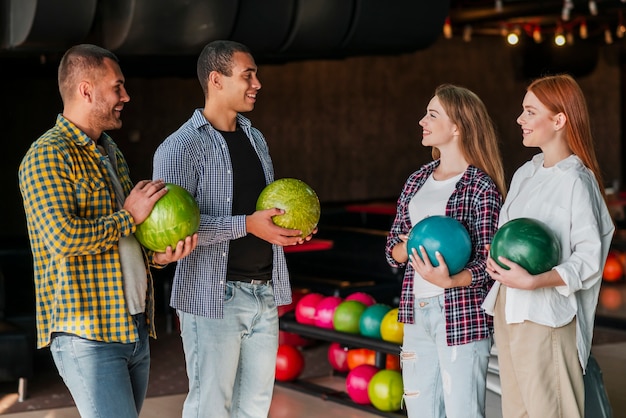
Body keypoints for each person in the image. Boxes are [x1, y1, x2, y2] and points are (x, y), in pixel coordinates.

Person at [18, 44, 198, 418]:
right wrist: (130, 217)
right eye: (118, 87)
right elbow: (63, 238)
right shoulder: (46, 155)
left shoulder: (109, 150)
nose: (125, 96)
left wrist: (158, 256)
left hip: (131, 325)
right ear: (86, 90)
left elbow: (123, 238)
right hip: (88, 334)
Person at [152, 40, 312, 418]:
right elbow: (172, 234)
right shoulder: (179, 148)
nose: (257, 83)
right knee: (211, 408)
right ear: (216, 80)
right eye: (247, 75)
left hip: (264, 293)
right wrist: (248, 226)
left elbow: (263, 216)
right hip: (213, 297)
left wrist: (287, 228)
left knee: (255, 408)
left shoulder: (255, 139)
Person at [483, 74, 615, 418]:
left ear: (559, 120)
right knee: (517, 411)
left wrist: (534, 281)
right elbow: (504, 234)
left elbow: (589, 259)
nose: (519, 119)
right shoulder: (525, 173)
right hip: (508, 305)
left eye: (529, 112)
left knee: (550, 411)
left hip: (546, 315)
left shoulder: (576, 180)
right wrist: (495, 259)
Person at [384, 84, 506, 418]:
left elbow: (490, 262)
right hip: (415, 311)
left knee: (462, 413)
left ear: (457, 127)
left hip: (461, 314)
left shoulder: (481, 186)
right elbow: (391, 247)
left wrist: (453, 280)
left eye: (432, 114)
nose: (422, 121)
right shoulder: (416, 180)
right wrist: (405, 248)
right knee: (421, 411)